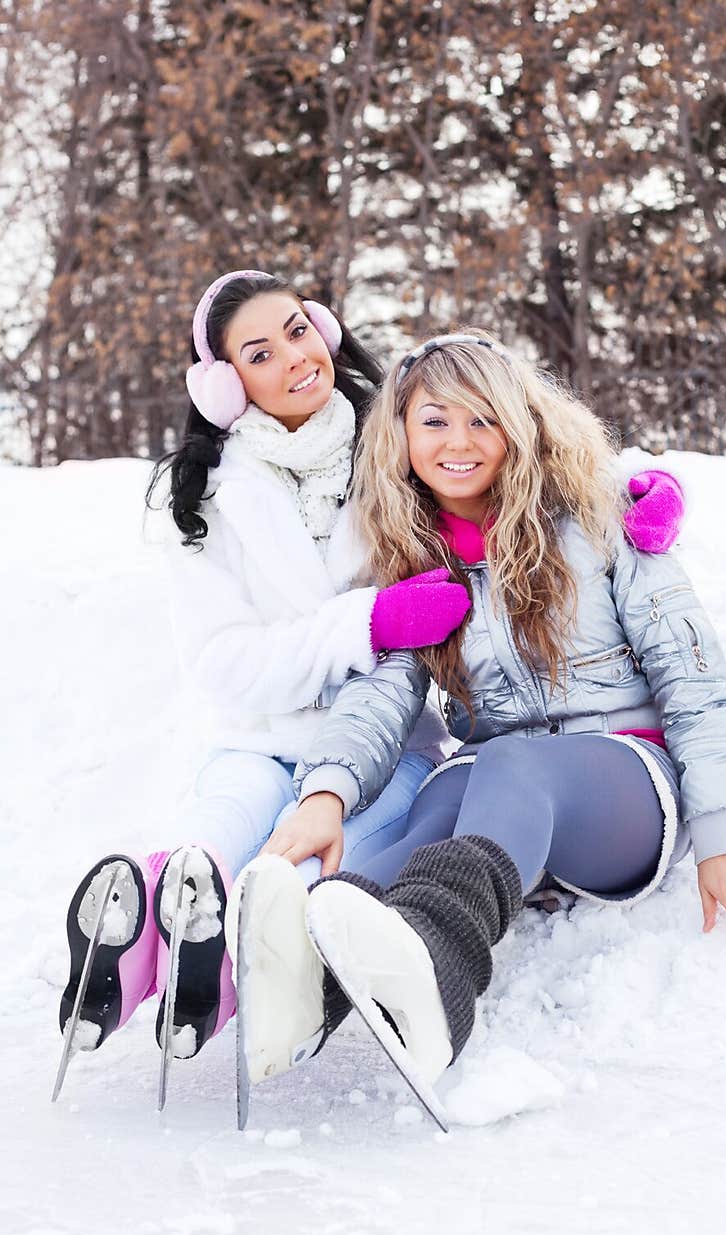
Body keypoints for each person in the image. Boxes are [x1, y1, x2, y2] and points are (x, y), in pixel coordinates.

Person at [57, 278, 687, 1081]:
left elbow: (690, 675)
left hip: (589, 763)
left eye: (297, 331)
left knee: (399, 821)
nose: (293, 357)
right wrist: (363, 656)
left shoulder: (402, 463)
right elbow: (377, 672)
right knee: (272, 849)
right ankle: (203, 952)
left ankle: (431, 962)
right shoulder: (334, 512)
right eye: (260, 353)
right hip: (281, 737)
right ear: (224, 384)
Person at [232, 331, 726, 1098]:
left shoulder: (603, 520)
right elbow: (380, 695)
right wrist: (325, 792)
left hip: (621, 783)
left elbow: (692, 673)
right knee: (428, 814)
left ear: (518, 425)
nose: (457, 442)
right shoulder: (416, 558)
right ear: (401, 432)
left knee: (505, 760)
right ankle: (306, 986)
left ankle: (442, 975)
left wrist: (721, 833)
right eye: (434, 421)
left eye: (481, 419)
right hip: (500, 796)